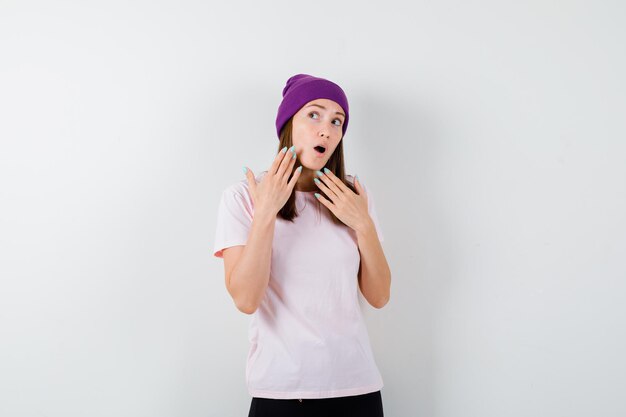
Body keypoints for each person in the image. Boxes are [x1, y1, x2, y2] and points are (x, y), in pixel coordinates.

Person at [213, 74, 391, 417]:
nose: (326, 129)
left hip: (357, 389)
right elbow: (246, 299)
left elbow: (380, 296)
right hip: (281, 394)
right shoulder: (241, 198)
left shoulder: (353, 198)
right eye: (314, 114)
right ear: (287, 123)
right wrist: (266, 213)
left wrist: (363, 224)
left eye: (337, 121)